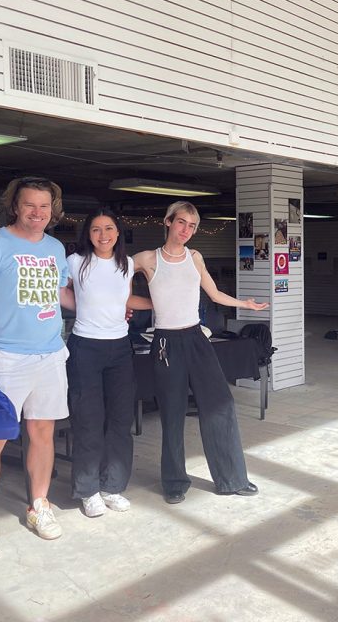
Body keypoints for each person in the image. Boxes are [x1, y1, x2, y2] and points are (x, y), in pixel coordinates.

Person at [0, 176, 72, 560]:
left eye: (44, 206)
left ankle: (38, 504)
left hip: (50, 353)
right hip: (4, 356)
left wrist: (106, 301)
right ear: (15, 206)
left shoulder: (56, 248)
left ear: (52, 211)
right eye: (30, 205)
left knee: (43, 433)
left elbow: (58, 295)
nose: (37, 213)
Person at [133, 201, 268, 504]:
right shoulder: (146, 259)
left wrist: (245, 305)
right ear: (167, 221)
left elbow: (214, 293)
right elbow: (114, 283)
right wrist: (142, 304)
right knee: (172, 413)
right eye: (181, 223)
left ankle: (232, 478)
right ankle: (174, 482)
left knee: (220, 406)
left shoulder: (195, 257)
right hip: (166, 342)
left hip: (196, 338)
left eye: (192, 226)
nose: (186, 230)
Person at [66, 209, 151, 518]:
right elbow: (59, 290)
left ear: (118, 232)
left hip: (119, 347)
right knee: (88, 420)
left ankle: (111, 486)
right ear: (88, 234)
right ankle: (87, 490)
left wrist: (160, 303)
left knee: (119, 419)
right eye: (96, 229)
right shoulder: (75, 262)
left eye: (109, 228)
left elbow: (125, 300)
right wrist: (81, 307)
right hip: (85, 347)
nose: (103, 235)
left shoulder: (126, 264)